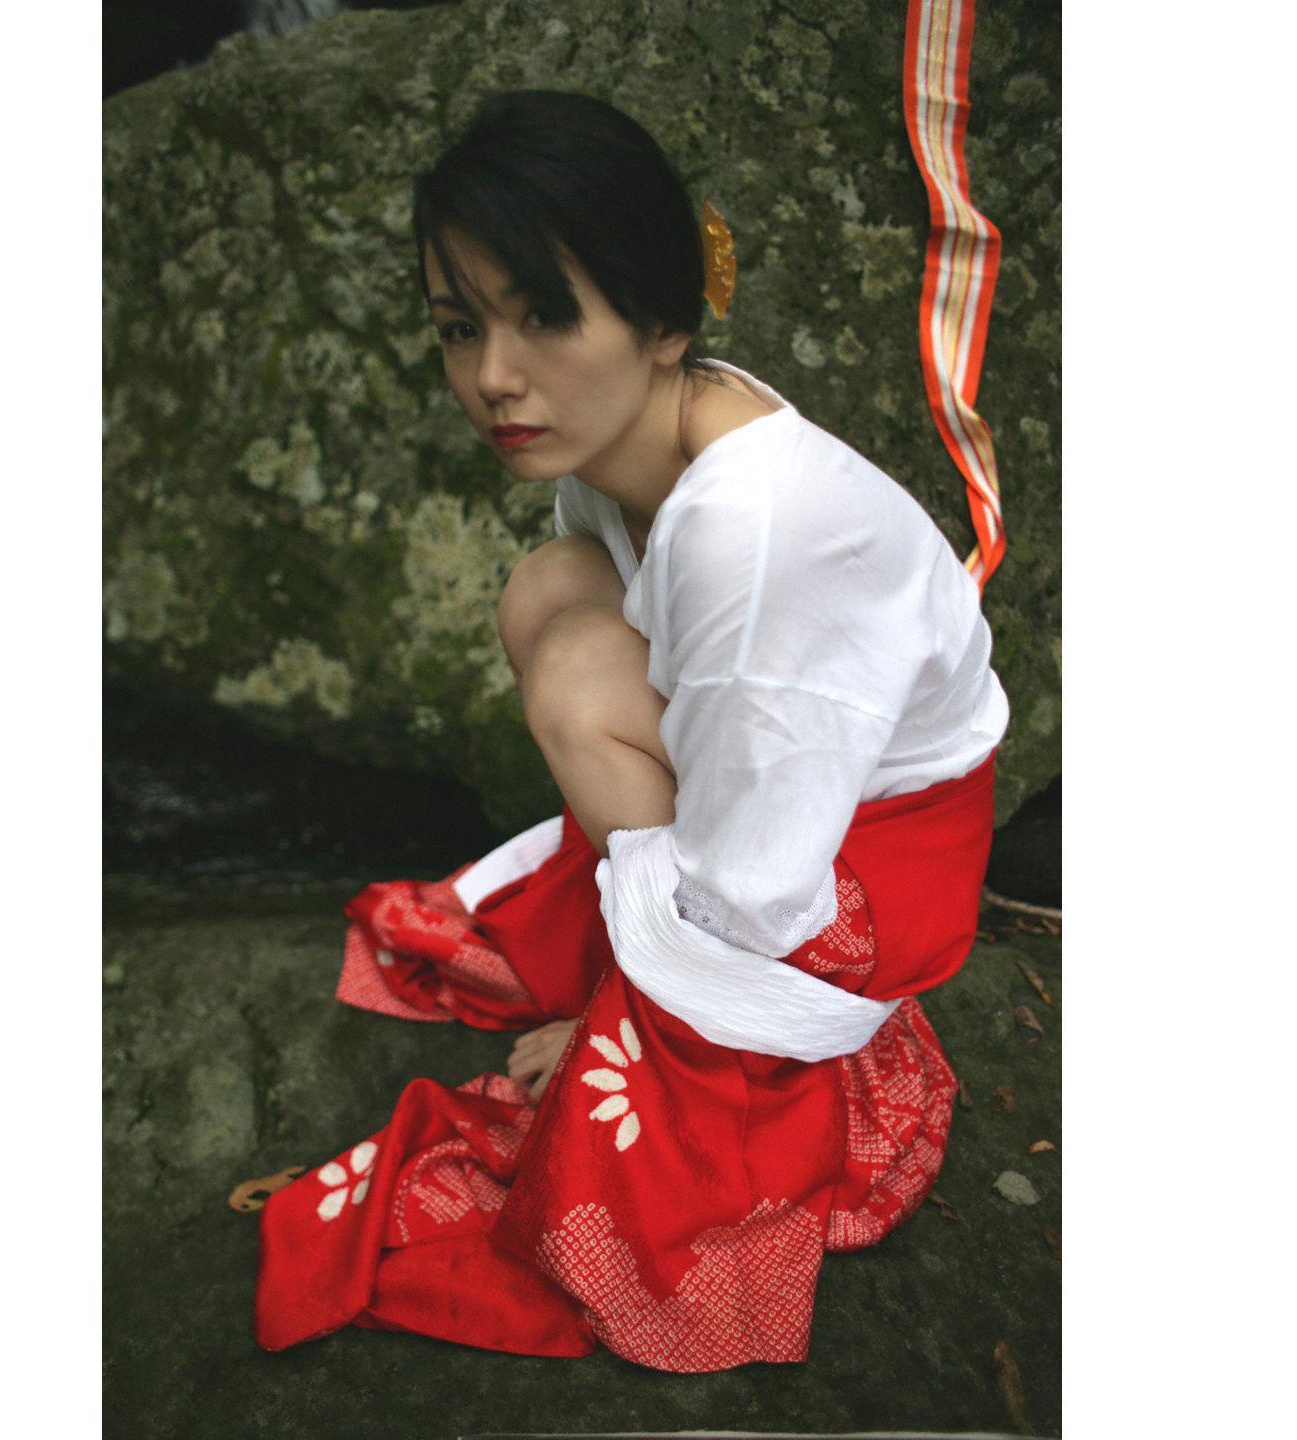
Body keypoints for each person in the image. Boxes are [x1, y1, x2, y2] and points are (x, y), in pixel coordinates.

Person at [253, 89, 1009, 1374]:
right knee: (550, 593)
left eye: (545, 318)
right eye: (460, 328)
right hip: (803, 803)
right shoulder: (637, 458)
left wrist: (628, 1042)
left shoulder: (750, 526)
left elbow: (761, 875)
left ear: (665, 323)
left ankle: (679, 1043)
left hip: (870, 866)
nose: (494, 378)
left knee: (575, 679)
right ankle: (628, 958)